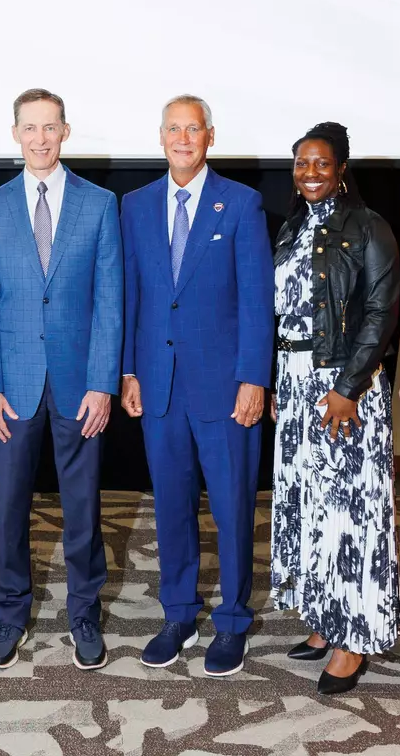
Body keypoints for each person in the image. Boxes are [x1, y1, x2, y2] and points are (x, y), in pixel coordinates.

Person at [0, 89, 123, 670]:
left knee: (82, 506)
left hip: (81, 384)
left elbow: (111, 300)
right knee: (9, 507)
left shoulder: (100, 203)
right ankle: (10, 615)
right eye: (29, 128)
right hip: (11, 386)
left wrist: (103, 382)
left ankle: (84, 613)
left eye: (49, 127)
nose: (39, 138)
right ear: (15, 134)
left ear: (65, 132)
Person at [120, 95, 274, 678]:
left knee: (233, 506)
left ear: (210, 136)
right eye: (173, 129)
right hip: (158, 387)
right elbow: (132, 293)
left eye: (193, 129)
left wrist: (253, 378)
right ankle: (179, 613)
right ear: (160, 137)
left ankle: (232, 620)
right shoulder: (134, 207)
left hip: (225, 389)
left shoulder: (240, 204)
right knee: (170, 506)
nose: (183, 138)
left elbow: (258, 302)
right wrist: (129, 370)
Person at [268, 122, 400, 695]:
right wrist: (278, 378)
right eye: (302, 164)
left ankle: (353, 640)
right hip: (295, 383)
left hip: (343, 386)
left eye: (322, 164)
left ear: (342, 169)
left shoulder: (369, 226)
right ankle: (326, 619)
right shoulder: (293, 228)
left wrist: (348, 386)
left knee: (351, 513)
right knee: (309, 502)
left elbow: (380, 313)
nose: (311, 173)